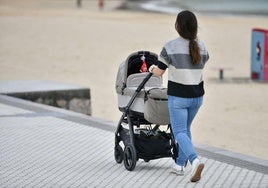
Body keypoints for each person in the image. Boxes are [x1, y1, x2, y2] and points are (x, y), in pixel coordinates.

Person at [149, 10, 209, 182]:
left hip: (179, 97)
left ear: (177, 26)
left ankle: (194, 160)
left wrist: (151, 69)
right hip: (197, 97)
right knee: (185, 130)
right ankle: (179, 166)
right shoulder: (202, 46)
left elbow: (159, 71)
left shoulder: (170, 46)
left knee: (179, 130)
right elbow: (202, 62)